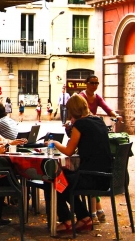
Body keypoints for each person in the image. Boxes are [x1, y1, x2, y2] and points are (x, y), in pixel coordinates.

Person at [45, 95, 113, 233]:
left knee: (53, 180)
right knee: (64, 179)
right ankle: (84, 217)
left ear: (73, 110)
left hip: (90, 177)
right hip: (106, 176)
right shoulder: (98, 121)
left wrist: (55, 144)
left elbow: (69, 151)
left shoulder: (80, 125)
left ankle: (66, 220)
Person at [78, 75, 119, 222]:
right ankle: (98, 210)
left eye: (97, 83)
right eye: (92, 83)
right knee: (91, 170)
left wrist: (115, 115)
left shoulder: (97, 97)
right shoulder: (81, 97)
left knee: (89, 171)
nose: (95, 86)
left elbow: (107, 108)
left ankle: (94, 213)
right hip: (85, 130)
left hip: (91, 131)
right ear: (86, 84)